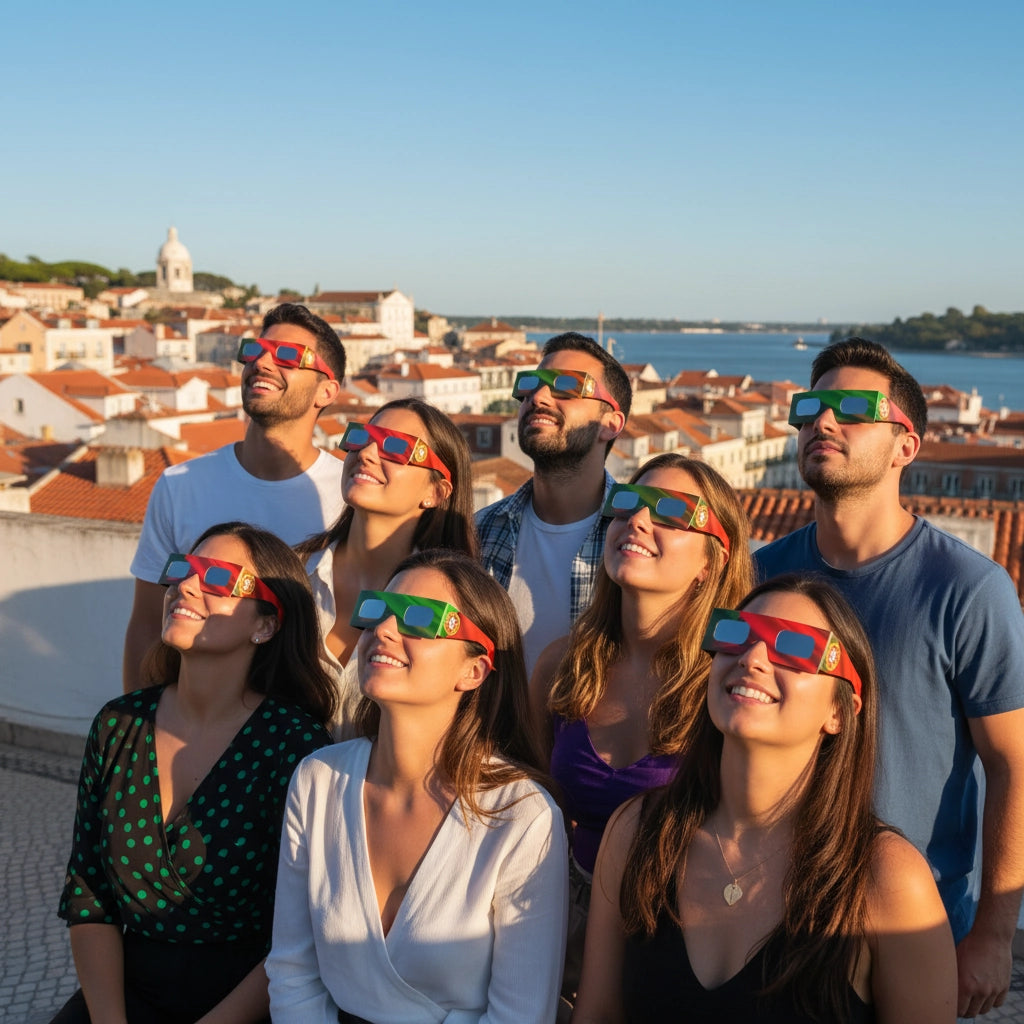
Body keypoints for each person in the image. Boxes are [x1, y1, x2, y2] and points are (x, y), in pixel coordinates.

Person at [754, 337, 1024, 1018]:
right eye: (811, 406)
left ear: (907, 445)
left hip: (912, 931)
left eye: (851, 408)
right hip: (768, 916)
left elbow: (1014, 767)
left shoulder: (968, 590)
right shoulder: (761, 580)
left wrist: (993, 934)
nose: (823, 421)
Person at [573, 574, 957, 1023]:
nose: (753, 658)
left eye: (794, 648)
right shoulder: (636, 831)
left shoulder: (885, 879)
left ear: (839, 710)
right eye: (736, 634)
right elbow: (597, 1013)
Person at [268, 549, 568, 1024]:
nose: (383, 630)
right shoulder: (317, 779)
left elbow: (520, 1015)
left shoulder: (523, 816)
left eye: (419, 619)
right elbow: (292, 971)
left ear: (475, 670)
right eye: (377, 611)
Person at [54, 522, 336, 1024]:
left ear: (266, 625)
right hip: (121, 997)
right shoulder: (118, 724)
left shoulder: (295, 745)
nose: (184, 585)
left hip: (248, 1003)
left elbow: (302, 933)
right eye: (185, 569)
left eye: (217, 578)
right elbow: (90, 894)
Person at [529, 453, 753, 1015]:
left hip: (681, 931)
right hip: (564, 928)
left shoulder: (734, 685)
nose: (639, 521)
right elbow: (530, 805)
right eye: (628, 503)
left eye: (672, 514)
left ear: (712, 561)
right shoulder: (563, 666)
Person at [123, 302, 347, 691]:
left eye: (289, 357)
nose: (262, 362)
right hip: (194, 721)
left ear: (326, 391)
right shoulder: (180, 485)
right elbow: (147, 623)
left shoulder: (351, 494)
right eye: (255, 351)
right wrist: (135, 728)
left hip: (310, 725)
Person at [296, 397, 478, 738]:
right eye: (362, 439)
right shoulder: (291, 575)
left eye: (395, 448)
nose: (366, 454)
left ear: (436, 492)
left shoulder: (457, 612)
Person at [477, 332, 631, 675]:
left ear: (610, 424)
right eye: (532, 384)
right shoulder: (478, 533)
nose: (540, 396)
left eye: (567, 387)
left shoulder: (636, 543)